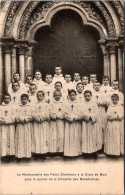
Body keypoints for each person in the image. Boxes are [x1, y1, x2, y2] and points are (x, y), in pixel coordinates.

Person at [80, 90, 102, 158]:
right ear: (84, 96)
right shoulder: (82, 103)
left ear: (91, 96)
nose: (87, 97)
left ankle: (94, 152)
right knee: (85, 137)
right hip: (85, 123)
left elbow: (97, 112)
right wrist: (88, 117)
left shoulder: (94, 103)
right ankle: (86, 152)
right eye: (86, 96)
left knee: (93, 137)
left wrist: (92, 117)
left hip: (92, 123)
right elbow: (81, 112)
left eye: (88, 96)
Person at [64, 89, 82, 157]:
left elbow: (80, 113)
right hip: (69, 123)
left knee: (76, 136)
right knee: (69, 137)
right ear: (68, 96)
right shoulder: (66, 103)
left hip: (76, 123)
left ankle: (77, 152)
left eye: (73, 95)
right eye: (70, 95)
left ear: (75, 95)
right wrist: (70, 118)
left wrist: (75, 117)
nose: (72, 96)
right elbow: (65, 113)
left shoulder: (79, 103)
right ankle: (69, 152)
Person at [32, 91, 50, 158]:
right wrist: (37, 118)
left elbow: (47, 113)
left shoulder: (46, 105)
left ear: (43, 96)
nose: (39, 97)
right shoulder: (34, 105)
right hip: (36, 123)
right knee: (37, 137)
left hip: (43, 123)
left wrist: (41, 118)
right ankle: (37, 152)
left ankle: (43, 153)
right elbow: (32, 113)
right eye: (38, 96)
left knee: (43, 137)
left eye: (41, 96)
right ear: (36, 96)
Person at [15, 94, 33, 159]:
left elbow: (31, 116)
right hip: (20, 125)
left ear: (27, 100)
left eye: (25, 99)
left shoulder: (30, 107)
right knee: (20, 138)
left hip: (27, 125)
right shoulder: (18, 107)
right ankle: (20, 154)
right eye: (22, 99)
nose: (23, 101)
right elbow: (16, 116)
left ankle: (27, 155)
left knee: (27, 138)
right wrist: (21, 119)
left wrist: (25, 119)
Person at [0, 94, 16, 160]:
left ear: (10, 99)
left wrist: (5, 121)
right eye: (5, 98)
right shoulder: (1, 107)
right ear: (3, 99)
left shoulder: (12, 107)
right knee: (3, 139)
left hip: (10, 126)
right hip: (3, 127)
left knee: (11, 138)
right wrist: (3, 121)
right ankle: (4, 154)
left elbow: (14, 117)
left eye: (8, 98)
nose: (6, 100)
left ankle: (11, 154)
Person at [49, 90, 65, 155]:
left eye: (58, 95)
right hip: (53, 122)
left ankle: (60, 150)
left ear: (61, 96)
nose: (57, 96)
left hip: (60, 122)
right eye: (56, 95)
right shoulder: (51, 104)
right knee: (53, 136)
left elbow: (64, 112)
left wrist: (58, 115)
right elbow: (49, 112)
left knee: (60, 135)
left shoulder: (63, 103)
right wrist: (53, 116)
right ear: (53, 96)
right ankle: (53, 151)